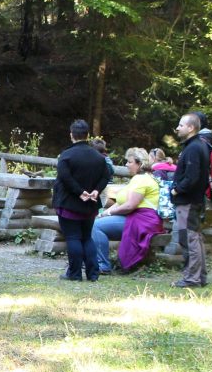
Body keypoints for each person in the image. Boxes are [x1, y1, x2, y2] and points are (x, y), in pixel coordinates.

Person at [52, 119, 111, 281]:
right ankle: (93, 274)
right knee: (86, 237)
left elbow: (65, 177)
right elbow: (106, 176)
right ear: (87, 135)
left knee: (73, 238)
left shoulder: (66, 155)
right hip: (90, 204)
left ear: (71, 135)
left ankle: (75, 274)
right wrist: (96, 191)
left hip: (69, 203)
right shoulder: (98, 157)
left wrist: (80, 192)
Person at [90, 148, 163, 274]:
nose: (126, 165)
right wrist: (103, 214)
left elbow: (130, 206)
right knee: (96, 222)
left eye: (130, 162)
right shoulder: (137, 178)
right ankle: (95, 260)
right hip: (133, 217)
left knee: (95, 226)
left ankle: (103, 264)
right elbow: (120, 202)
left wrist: (109, 213)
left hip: (142, 221)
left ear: (139, 164)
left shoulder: (141, 180)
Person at [169, 112, 211, 288]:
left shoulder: (193, 148)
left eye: (181, 125)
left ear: (191, 128)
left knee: (189, 239)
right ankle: (200, 277)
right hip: (194, 200)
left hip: (188, 200)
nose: (177, 128)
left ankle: (192, 278)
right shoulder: (198, 145)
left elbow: (192, 176)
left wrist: (177, 190)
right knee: (195, 237)